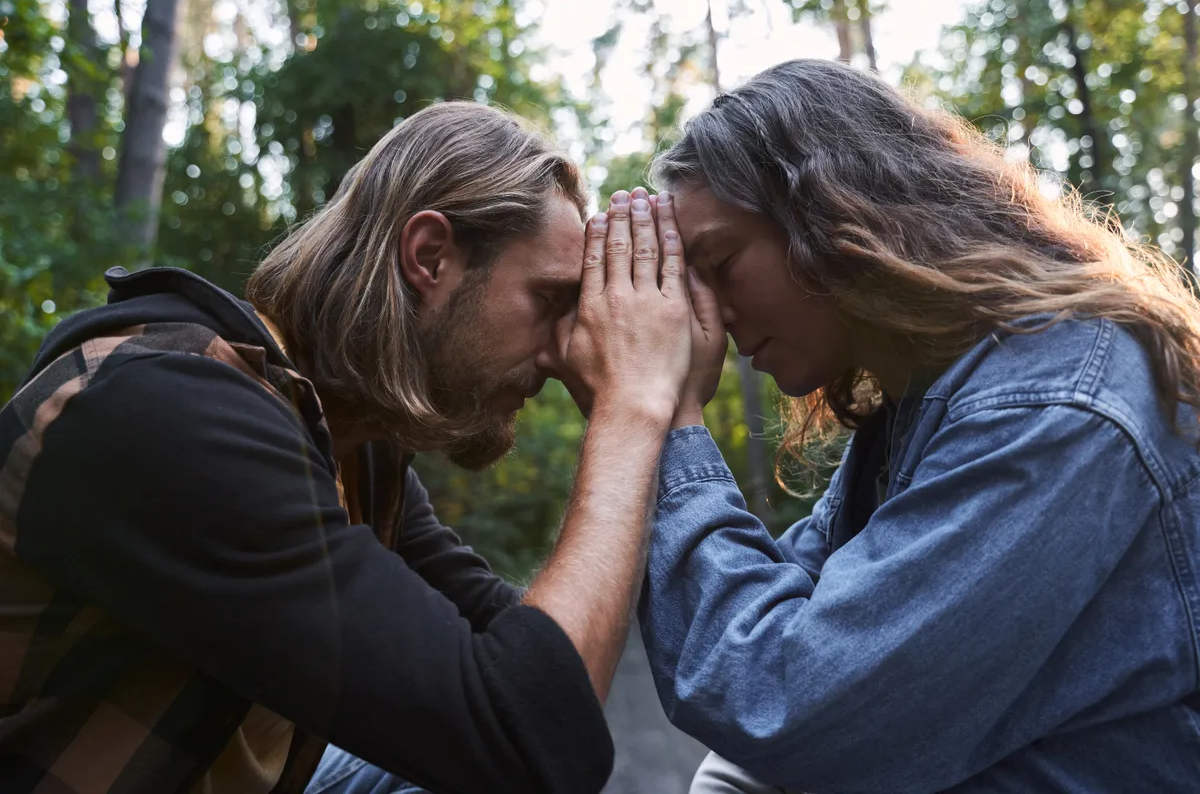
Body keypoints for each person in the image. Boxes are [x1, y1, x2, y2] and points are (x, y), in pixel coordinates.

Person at [0, 102, 699, 794]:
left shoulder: (354, 449)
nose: (561, 353)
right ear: (430, 257)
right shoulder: (171, 414)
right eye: (549, 301)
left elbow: (536, 673)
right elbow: (526, 735)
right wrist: (631, 406)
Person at [639, 58, 1200, 793]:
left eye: (718, 263)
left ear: (830, 215)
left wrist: (661, 415)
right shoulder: (929, 401)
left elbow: (781, 698)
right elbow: (791, 620)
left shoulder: (1049, 409)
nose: (700, 314)